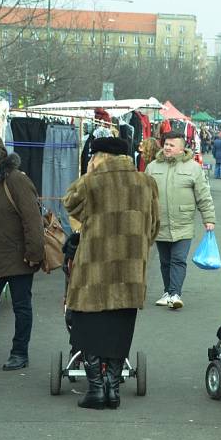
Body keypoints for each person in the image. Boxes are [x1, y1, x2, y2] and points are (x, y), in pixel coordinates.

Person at [63, 137, 159, 410]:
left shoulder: (91, 183)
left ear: (100, 156)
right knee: (120, 328)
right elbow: (154, 227)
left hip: (94, 270)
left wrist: (90, 174)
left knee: (88, 327)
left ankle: (95, 389)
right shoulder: (146, 183)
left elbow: (69, 203)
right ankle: (113, 390)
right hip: (130, 271)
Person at [0, 136, 44, 372]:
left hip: (19, 257)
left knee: (21, 306)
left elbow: (33, 220)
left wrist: (34, 254)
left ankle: (19, 352)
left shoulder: (17, 181)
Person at [146, 132, 216, 310]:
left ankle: (175, 293)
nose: (167, 147)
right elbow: (145, 195)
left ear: (181, 148)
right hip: (160, 222)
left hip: (184, 222)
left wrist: (208, 218)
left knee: (178, 259)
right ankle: (168, 292)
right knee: (165, 261)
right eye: (166, 144)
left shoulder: (193, 168)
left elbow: (203, 195)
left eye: (171, 145)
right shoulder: (153, 167)